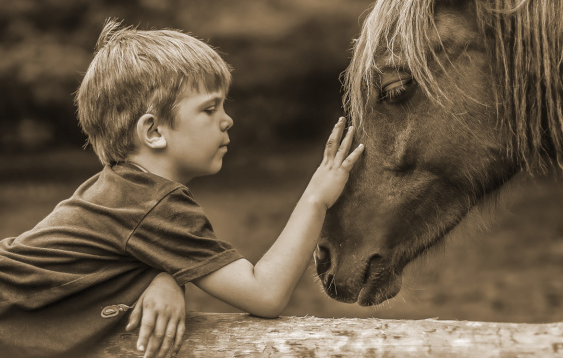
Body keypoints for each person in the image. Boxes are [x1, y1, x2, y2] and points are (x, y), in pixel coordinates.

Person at [0, 19, 364, 358]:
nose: (228, 119)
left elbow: (110, 261)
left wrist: (164, 277)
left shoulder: (120, 191)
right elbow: (265, 294)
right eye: (209, 109)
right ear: (154, 132)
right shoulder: (154, 204)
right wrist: (316, 198)